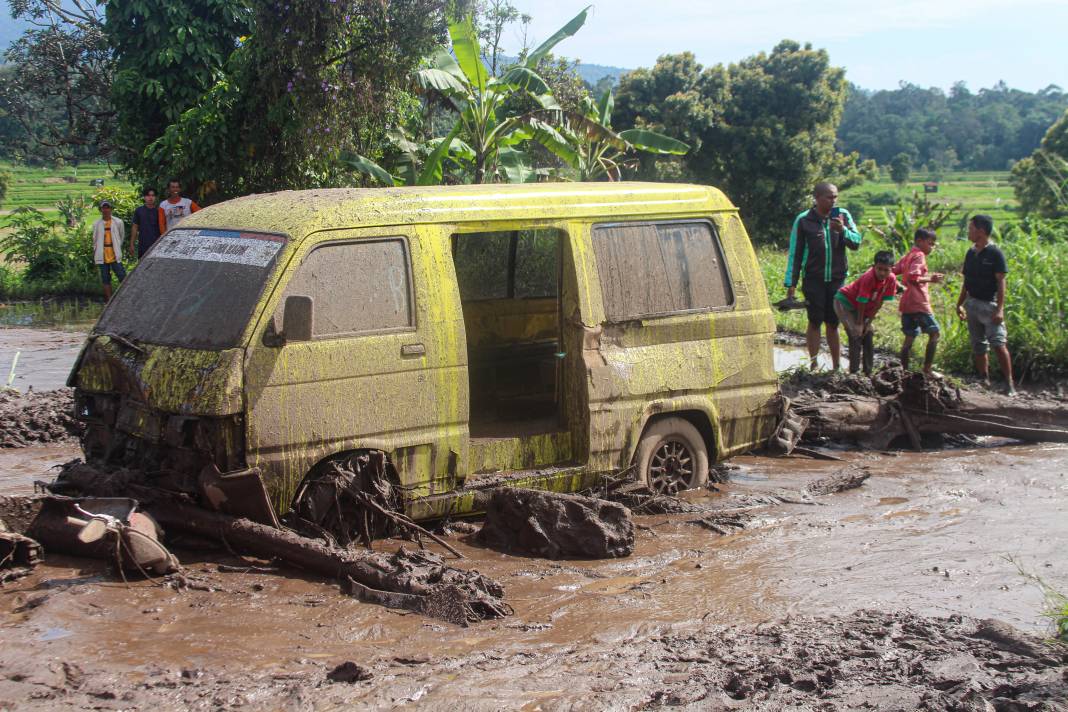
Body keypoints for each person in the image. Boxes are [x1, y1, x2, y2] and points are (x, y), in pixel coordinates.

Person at [784, 182, 863, 370]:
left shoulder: (843, 216)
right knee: (814, 320)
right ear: (817, 198)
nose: (833, 201)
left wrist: (843, 231)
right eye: (829, 197)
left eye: (835, 197)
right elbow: (795, 252)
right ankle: (813, 365)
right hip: (813, 279)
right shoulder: (804, 220)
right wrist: (791, 283)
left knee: (833, 322)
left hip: (836, 279)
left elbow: (857, 242)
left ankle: (836, 366)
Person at [956, 214, 1015, 395]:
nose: (969, 231)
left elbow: (1001, 282)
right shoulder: (971, 253)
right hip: (972, 304)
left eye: (971, 228)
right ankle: (984, 380)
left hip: (990, 305)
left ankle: (1009, 383)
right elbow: (967, 281)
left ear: (981, 231)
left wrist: (999, 309)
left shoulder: (995, 253)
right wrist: (959, 304)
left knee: (998, 343)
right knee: (978, 345)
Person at [833, 250, 898, 375]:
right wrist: (858, 324)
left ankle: (868, 372)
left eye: (886, 270)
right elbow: (862, 301)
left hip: (862, 308)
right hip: (844, 302)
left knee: (868, 334)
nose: (882, 273)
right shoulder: (869, 278)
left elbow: (879, 303)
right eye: (879, 269)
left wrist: (868, 322)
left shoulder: (891, 280)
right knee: (855, 334)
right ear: (874, 267)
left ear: (892, 269)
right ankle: (854, 373)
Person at [894, 228, 945, 375]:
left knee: (909, 338)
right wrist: (931, 279)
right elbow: (913, 277)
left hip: (906, 303)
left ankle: (903, 371)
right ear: (919, 241)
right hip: (918, 302)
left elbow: (893, 270)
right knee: (935, 334)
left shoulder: (908, 256)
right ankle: (927, 369)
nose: (932, 247)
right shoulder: (920, 255)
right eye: (930, 243)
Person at [92, 200, 126, 301]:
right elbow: (95, 240)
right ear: (101, 209)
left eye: (107, 208)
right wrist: (95, 253)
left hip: (115, 253)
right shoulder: (96, 224)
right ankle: (109, 300)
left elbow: (121, 236)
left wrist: (117, 247)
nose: (106, 210)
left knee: (122, 276)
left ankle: (125, 298)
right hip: (101, 254)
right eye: (103, 208)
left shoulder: (118, 222)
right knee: (105, 278)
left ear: (111, 209)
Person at [131, 187, 164, 258]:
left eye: (153, 195)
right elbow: (135, 227)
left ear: (155, 197)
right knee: (142, 267)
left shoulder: (159, 211)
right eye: (148, 195)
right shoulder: (139, 210)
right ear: (144, 197)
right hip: (143, 244)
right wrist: (132, 244)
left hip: (157, 244)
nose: (150, 197)